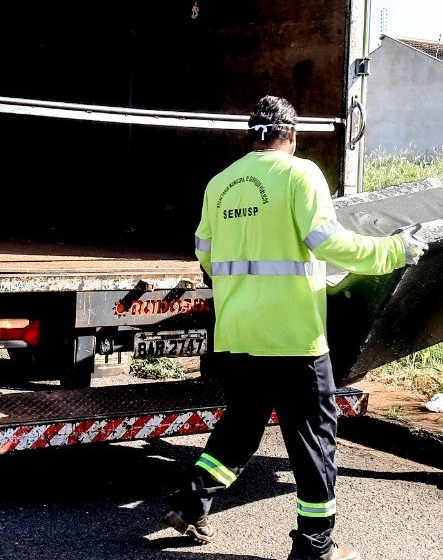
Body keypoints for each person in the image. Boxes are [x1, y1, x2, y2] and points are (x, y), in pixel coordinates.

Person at [160, 96, 428, 560]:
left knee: (242, 424)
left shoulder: (219, 184)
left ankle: (190, 503)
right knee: (313, 440)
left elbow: (204, 252)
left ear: (252, 133)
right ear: (293, 133)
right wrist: (393, 251)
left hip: (239, 333)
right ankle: (315, 545)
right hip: (292, 337)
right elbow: (327, 242)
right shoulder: (300, 174)